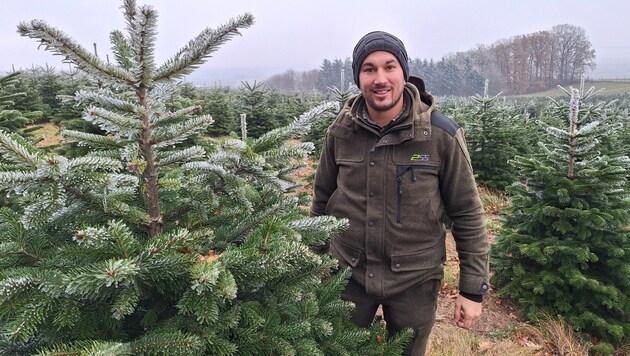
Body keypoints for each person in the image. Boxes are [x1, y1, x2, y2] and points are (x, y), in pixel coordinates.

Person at [310, 31, 489, 355]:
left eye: (389, 66)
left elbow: (467, 212)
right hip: (347, 275)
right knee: (337, 349)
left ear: (404, 72)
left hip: (415, 281)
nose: (380, 78)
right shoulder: (340, 131)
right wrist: (312, 265)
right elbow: (321, 200)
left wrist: (472, 289)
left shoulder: (440, 135)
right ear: (358, 77)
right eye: (369, 69)